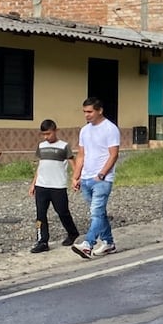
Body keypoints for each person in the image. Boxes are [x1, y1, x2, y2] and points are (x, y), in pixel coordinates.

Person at [72, 97, 121, 259]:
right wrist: (76, 176)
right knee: (99, 213)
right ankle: (108, 243)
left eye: (90, 111)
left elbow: (113, 155)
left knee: (96, 212)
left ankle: (88, 244)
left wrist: (102, 174)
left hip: (102, 179)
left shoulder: (110, 129)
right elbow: (81, 154)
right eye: (85, 112)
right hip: (86, 178)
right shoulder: (84, 130)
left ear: (99, 110)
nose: (87, 115)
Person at [29, 119, 80, 253]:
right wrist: (33, 183)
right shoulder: (41, 146)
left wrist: (75, 179)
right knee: (40, 214)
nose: (46, 137)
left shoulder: (64, 146)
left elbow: (73, 164)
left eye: (49, 133)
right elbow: (41, 165)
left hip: (58, 186)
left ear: (55, 131)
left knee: (62, 212)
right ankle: (42, 241)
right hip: (42, 185)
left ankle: (72, 233)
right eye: (44, 134)